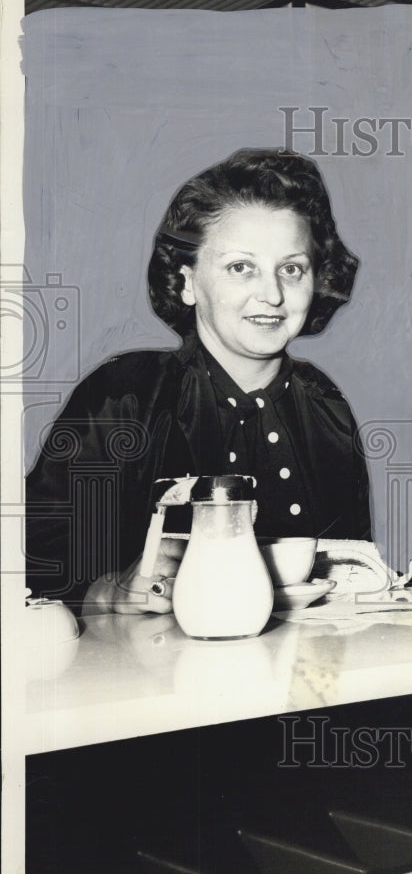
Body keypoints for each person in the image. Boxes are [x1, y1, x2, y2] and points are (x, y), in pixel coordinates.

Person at [26, 149, 372, 614]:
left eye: (291, 269)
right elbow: (30, 566)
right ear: (188, 282)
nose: (272, 294)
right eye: (241, 267)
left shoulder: (328, 408)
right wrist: (108, 591)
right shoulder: (125, 396)